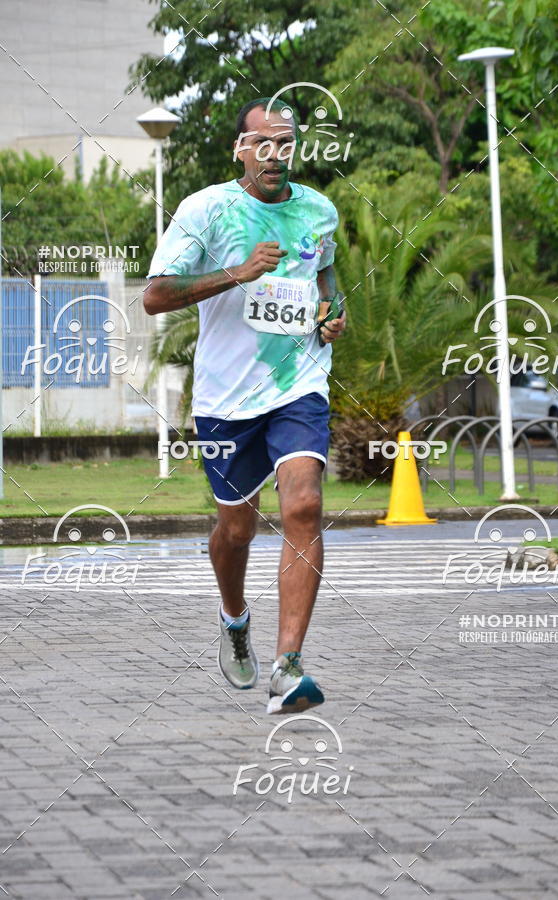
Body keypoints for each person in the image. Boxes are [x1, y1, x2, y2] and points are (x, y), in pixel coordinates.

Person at [144, 97, 345, 714]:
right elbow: (154, 297)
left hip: (298, 384)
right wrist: (237, 273)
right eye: (262, 143)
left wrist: (331, 312)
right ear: (240, 148)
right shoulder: (205, 210)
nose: (275, 155)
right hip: (226, 398)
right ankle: (234, 618)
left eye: (285, 144)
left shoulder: (318, 210)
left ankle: (288, 666)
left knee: (305, 506)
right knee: (235, 529)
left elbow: (326, 277)